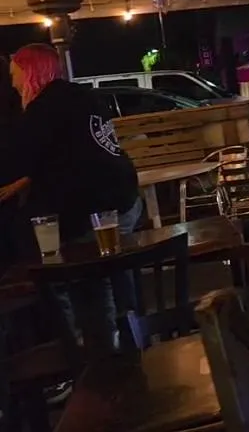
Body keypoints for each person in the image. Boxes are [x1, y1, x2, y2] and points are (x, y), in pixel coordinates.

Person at [0, 44, 143, 358]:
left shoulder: (44, 109)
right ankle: (134, 342)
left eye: (15, 75)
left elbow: (13, 160)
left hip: (95, 210)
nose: (13, 83)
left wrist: (20, 178)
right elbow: (75, 151)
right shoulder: (80, 97)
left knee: (88, 282)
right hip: (126, 200)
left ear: (31, 72)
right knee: (115, 274)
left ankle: (103, 362)